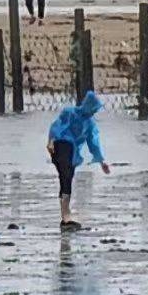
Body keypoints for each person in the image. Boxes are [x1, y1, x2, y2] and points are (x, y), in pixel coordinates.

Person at [47, 90, 111, 227]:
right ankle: (65, 215)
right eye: (93, 109)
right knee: (65, 176)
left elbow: (94, 142)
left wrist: (101, 161)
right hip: (60, 146)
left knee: (66, 177)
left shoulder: (90, 124)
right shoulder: (69, 112)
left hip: (72, 153)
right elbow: (56, 127)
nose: (93, 112)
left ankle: (65, 215)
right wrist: (51, 141)